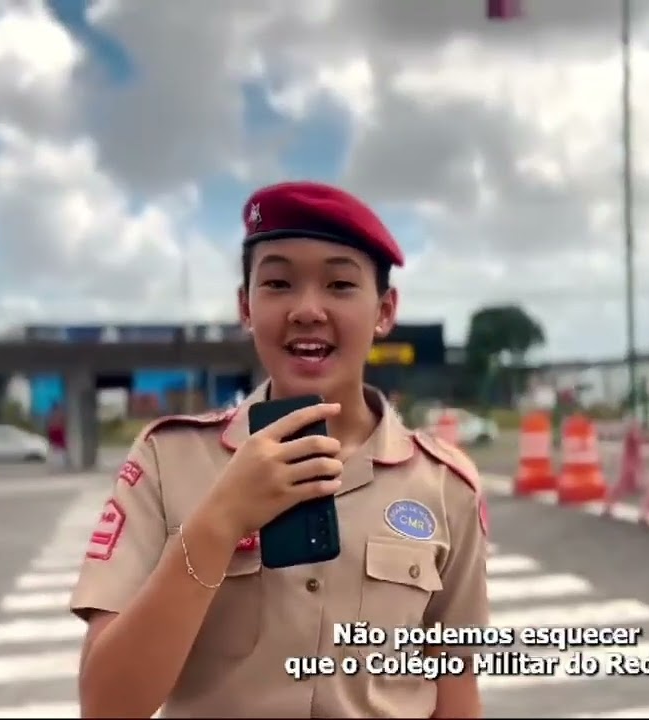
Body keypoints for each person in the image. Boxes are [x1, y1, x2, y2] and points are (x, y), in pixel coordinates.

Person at [68, 181, 491, 718]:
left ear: (384, 311)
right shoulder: (167, 461)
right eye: (278, 283)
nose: (307, 309)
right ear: (246, 307)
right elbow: (107, 707)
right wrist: (221, 520)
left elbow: (455, 691)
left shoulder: (444, 486)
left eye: (339, 284)